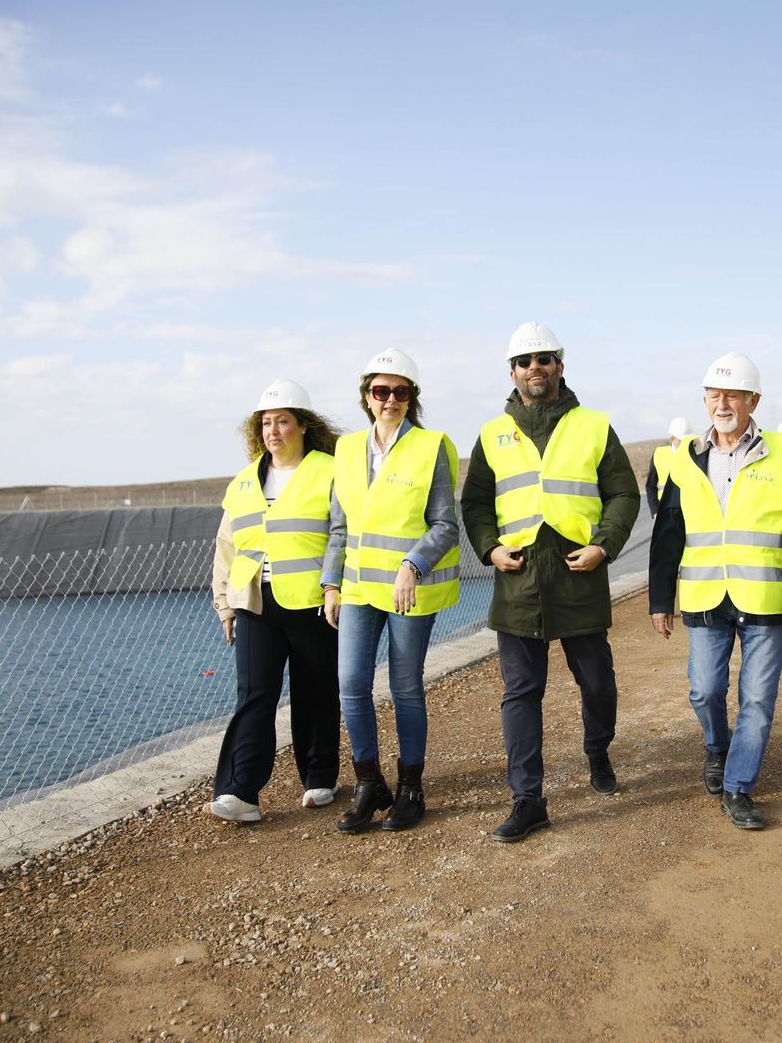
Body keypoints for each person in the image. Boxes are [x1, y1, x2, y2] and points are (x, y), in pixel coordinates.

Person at [460, 322, 640, 842]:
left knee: (597, 680)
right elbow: (474, 503)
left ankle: (597, 752)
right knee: (521, 692)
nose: (533, 368)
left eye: (543, 359)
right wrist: (489, 548)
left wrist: (603, 545)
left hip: (577, 573)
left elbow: (624, 495)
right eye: (523, 361)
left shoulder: (593, 425)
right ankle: (527, 798)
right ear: (512, 371)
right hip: (517, 580)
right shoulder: (493, 433)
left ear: (560, 364)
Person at [649, 352, 782, 831]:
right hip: (705, 598)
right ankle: (717, 749)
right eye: (714, 394)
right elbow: (668, 533)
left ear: (753, 400)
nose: (722, 403)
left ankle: (738, 787)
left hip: (765, 599)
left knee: (758, 700)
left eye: (733, 395)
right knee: (704, 692)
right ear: (705, 399)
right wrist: (660, 599)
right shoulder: (685, 457)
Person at [322, 348, 461, 835]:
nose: (390, 400)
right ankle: (369, 784)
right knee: (351, 686)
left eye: (400, 392)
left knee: (405, 688)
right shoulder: (346, 450)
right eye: (381, 391)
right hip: (359, 587)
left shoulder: (431, 446)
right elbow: (339, 527)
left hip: (408, 590)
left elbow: (447, 524)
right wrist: (331, 583)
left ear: (411, 398)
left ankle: (410, 787)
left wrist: (413, 564)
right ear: (367, 396)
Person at [207, 379, 343, 823]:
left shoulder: (330, 470)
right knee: (254, 695)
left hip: (312, 603)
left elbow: (344, 535)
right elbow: (226, 548)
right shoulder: (244, 482)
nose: (273, 431)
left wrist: (335, 587)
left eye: (282, 421)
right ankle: (239, 791)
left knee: (316, 691)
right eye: (266, 423)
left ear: (302, 425)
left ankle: (320, 776)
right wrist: (224, 606)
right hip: (255, 605)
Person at [645, 417, 694, 518]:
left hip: (691, 512)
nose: (685, 443)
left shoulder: (695, 454)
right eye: (681, 440)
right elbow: (650, 486)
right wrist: (655, 512)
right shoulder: (659, 454)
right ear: (672, 438)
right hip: (666, 512)